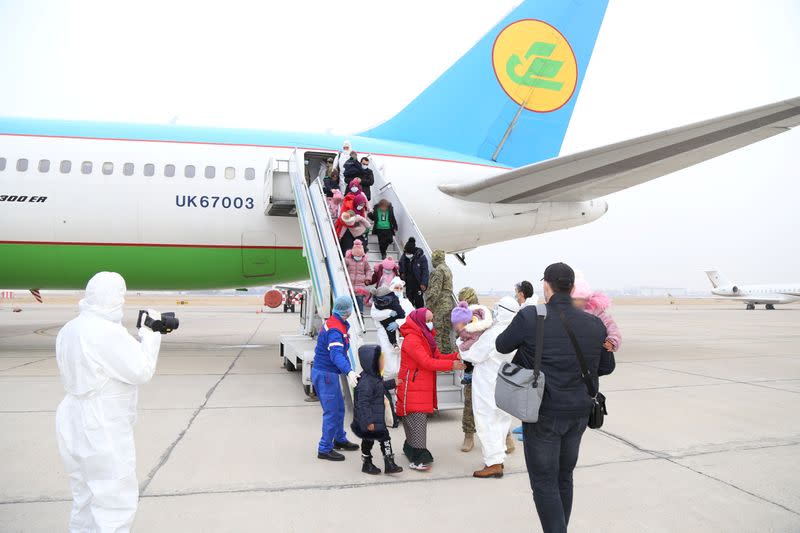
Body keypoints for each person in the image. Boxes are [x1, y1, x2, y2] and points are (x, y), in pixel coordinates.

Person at [496, 262, 616, 533]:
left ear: (546, 285)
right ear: (572, 287)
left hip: (544, 414)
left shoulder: (531, 317)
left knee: (544, 482)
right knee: (564, 477)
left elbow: (501, 345)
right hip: (579, 415)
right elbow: (606, 366)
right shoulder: (595, 323)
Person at [55, 271, 162, 532]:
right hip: (101, 425)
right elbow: (141, 370)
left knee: (84, 496)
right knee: (114, 502)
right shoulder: (106, 332)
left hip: (71, 418)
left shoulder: (69, 329)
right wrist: (151, 334)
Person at [396, 308, 465, 471]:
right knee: (417, 420)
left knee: (414, 421)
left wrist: (454, 356)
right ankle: (419, 458)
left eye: (431, 319)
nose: (430, 323)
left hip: (421, 386)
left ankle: (411, 449)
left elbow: (437, 357)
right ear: (419, 321)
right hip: (411, 387)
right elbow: (427, 362)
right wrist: (451, 365)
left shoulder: (426, 337)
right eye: (427, 320)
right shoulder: (412, 339)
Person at [460, 296, 520, 478]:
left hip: (487, 384)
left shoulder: (494, 333)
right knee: (501, 420)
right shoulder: (515, 332)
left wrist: (460, 345)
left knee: (486, 421)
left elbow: (474, 355)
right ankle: (498, 458)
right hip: (505, 383)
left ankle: (493, 463)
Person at [312, 295, 361, 461]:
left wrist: (350, 370)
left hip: (328, 373)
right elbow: (336, 355)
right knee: (332, 412)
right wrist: (349, 372)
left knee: (339, 408)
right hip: (326, 374)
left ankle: (339, 439)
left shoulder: (337, 323)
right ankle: (324, 448)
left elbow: (341, 353)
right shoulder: (335, 329)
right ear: (347, 311)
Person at [351, 345, 404, 475]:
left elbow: (380, 387)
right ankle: (367, 462)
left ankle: (389, 463)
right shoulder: (366, 382)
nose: (383, 363)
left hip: (377, 416)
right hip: (368, 419)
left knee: (384, 438)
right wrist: (368, 421)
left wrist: (393, 383)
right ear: (372, 363)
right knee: (368, 441)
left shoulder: (373, 377)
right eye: (380, 360)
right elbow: (363, 403)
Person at [572, 278, 622, 352]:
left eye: (580, 299)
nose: (577, 302)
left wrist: (612, 341)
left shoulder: (597, 312)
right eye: (573, 299)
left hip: (593, 348)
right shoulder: (567, 311)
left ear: (587, 298)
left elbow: (612, 327)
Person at [426, 249, 455, 354]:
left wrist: (428, 307)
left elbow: (435, 291)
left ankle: (439, 362)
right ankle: (448, 362)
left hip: (439, 306)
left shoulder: (438, 271)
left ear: (435, 259)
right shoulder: (447, 269)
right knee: (446, 334)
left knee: (437, 334)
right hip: (448, 304)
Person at [344, 240, 373, 314]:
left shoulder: (364, 261)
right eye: (356, 256)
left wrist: (368, 278)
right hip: (349, 283)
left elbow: (368, 270)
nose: (358, 257)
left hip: (360, 284)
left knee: (359, 298)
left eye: (359, 256)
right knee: (349, 299)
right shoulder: (348, 260)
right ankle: (350, 312)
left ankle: (360, 313)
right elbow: (342, 267)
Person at [399, 237, 429, 308]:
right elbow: (401, 265)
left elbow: (425, 271)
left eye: (408, 253)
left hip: (418, 284)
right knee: (409, 301)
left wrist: (423, 283)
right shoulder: (404, 256)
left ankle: (420, 315)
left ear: (413, 252)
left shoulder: (421, 258)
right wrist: (402, 274)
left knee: (419, 302)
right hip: (408, 283)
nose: (407, 254)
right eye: (406, 252)